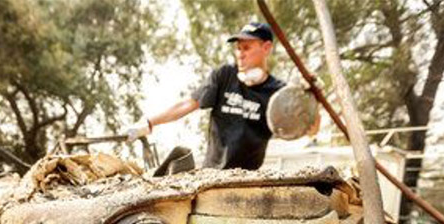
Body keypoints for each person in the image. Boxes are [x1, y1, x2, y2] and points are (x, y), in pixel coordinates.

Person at [129, 21, 316, 170]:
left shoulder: (278, 92)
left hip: (248, 181)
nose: (240, 54)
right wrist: (148, 123)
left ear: (266, 48)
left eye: (246, 48)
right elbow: (188, 104)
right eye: (238, 48)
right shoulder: (224, 75)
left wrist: (310, 98)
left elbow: (310, 130)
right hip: (212, 175)